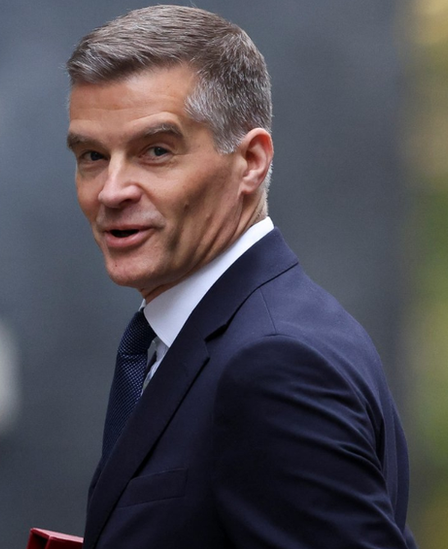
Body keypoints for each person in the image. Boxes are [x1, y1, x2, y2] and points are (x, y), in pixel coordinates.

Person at [65, 5, 417, 549]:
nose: (111, 192)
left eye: (156, 151)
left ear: (250, 161)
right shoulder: (218, 336)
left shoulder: (275, 363)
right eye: (92, 155)